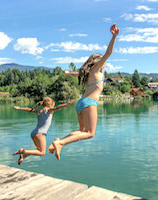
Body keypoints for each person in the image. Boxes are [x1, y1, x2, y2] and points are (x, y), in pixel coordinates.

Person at [48, 24, 120, 160]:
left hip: (80, 103)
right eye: (102, 61)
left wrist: (68, 73)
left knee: (82, 131)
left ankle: (59, 143)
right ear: (97, 62)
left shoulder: (86, 73)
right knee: (90, 133)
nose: (104, 63)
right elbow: (108, 53)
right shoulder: (95, 69)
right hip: (89, 103)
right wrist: (114, 37)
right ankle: (60, 142)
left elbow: (77, 74)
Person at [12, 97, 74, 165]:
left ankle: (24, 155)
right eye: (53, 105)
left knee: (38, 150)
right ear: (50, 105)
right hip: (40, 134)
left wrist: (19, 108)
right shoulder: (48, 110)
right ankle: (23, 151)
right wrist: (67, 104)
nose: (53, 107)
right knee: (42, 152)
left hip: (34, 133)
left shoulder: (39, 111)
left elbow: (29, 110)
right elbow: (57, 108)